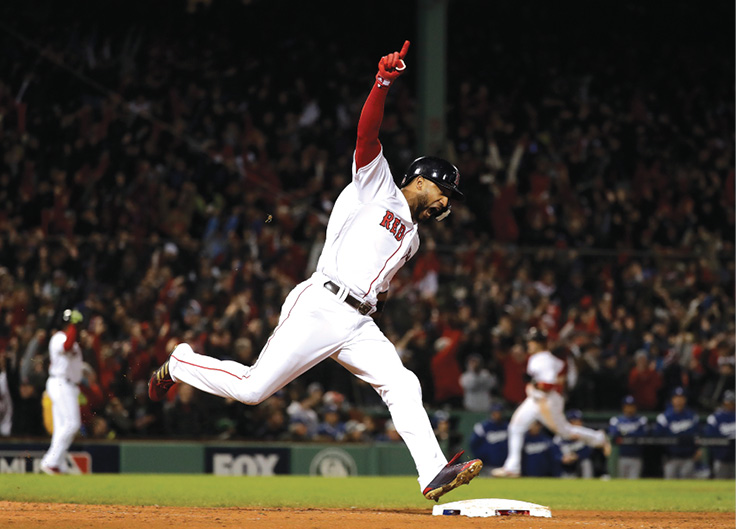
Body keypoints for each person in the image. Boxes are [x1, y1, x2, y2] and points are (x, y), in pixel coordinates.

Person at [148, 40, 482, 501]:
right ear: (424, 181)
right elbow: (368, 136)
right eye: (447, 193)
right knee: (252, 391)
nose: (448, 203)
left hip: (358, 320)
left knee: (402, 382)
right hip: (323, 303)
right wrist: (382, 82)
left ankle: (431, 473)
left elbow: (378, 283)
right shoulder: (377, 186)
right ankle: (183, 360)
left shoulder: (415, 237)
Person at [491, 328, 611, 478]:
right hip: (534, 400)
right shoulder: (537, 357)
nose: (528, 344)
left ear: (540, 343)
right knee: (515, 427)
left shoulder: (545, 360)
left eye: (531, 341)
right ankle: (512, 467)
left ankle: (599, 438)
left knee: (565, 432)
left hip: (546, 401)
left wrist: (533, 383)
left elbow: (549, 385)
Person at [40, 309, 84, 475]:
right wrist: (73, 324)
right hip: (60, 383)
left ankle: (57, 463)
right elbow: (67, 346)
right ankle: (50, 461)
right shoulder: (58, 338)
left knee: (62, 428)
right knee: (72, 424)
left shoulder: (72, 341)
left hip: (68, 385)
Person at [654, 386, 700, 479]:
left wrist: (699, 449)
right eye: (676, 398)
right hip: (670, 458)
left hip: (689, 457)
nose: (679, 400)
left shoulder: (692, 416)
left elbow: (699, 435)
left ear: (685, 400)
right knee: (670, 487)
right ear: (672, 399)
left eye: (681, 398)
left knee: (687, 487)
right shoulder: (664, 417)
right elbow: (657, 438)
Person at [608, 395, 648, 479]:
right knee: (621, 482)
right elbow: (614, 433)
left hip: (636, 456)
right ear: (623, 407)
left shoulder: (641, 420)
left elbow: (643, 434)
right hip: (621, 456)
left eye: (631, 406)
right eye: (627, 406)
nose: (629, 408)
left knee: (634, 482)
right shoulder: (616, 420)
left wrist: (624, 433)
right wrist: (632, 433)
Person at [469, 402, 509, 472]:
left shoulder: (507, 427)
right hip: (487, 465)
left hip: (504, 465)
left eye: (499, 412)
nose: (497, 414)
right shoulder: (483, 427)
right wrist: (483, 457)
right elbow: (473, 444)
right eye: (495, 412)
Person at [704, 390, 735, 479]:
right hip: (721, 458)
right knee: (720, 485)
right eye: (727, 401)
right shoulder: (715, 417)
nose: (730, 404)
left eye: (732, 402)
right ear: (723, 402)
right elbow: (710, 438)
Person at [554, 409, 594, 478]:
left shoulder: (585, 434)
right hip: (564, 465)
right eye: (575, 421)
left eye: (580, 421)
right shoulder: (560, 436)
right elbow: (553, 453)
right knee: (556, 463)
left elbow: (589, 451)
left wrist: (577, 456)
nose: (579, 423)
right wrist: (562, 458)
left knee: (586, 462)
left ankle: (588, 482)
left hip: (578, 464)